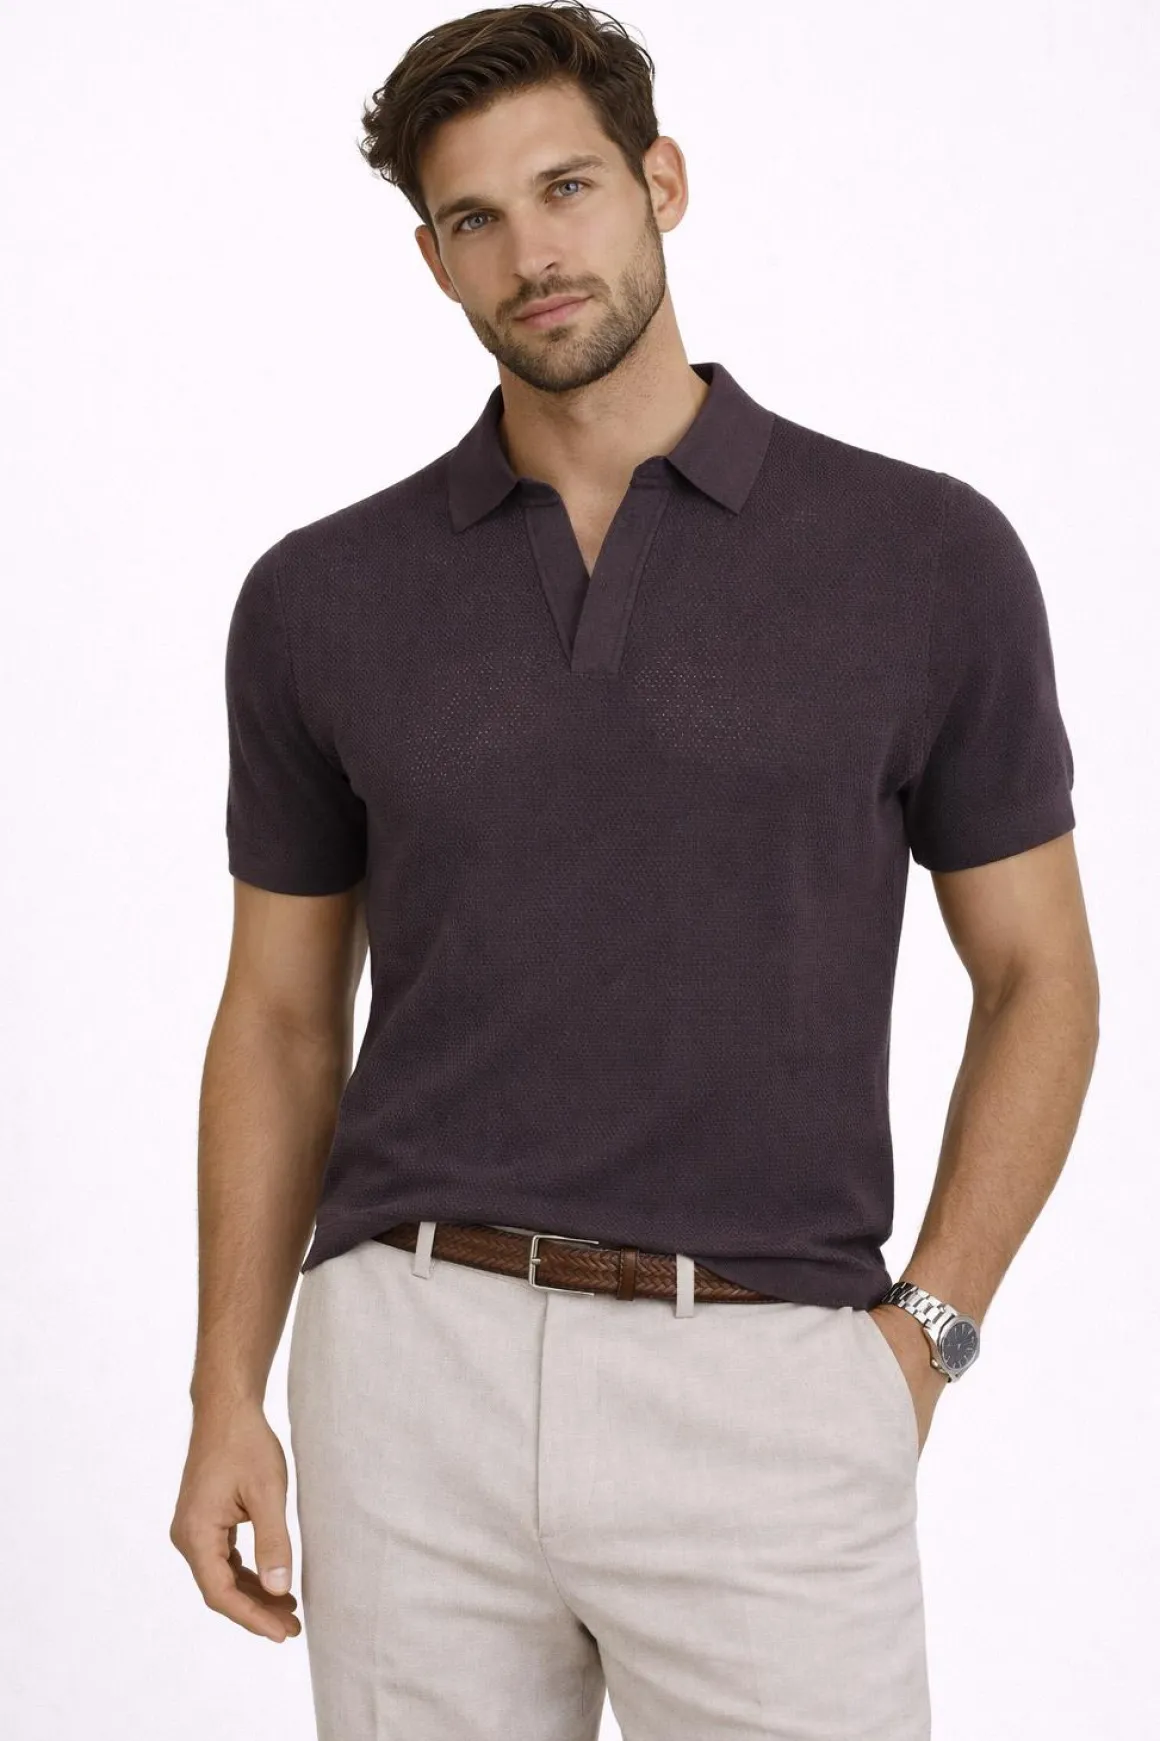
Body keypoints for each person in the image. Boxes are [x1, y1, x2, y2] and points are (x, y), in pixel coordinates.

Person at [170, 4, 1100, 1736]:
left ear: (661, 182)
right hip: (411, 1371)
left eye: (569, 188)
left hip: (768, 1379)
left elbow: (1042, 976)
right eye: (474, 219)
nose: (533, 254)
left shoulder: (924, 559)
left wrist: (928, 1337)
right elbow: (281, 1020)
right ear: (432, 261)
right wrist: (229, 1389)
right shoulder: (321, 598)